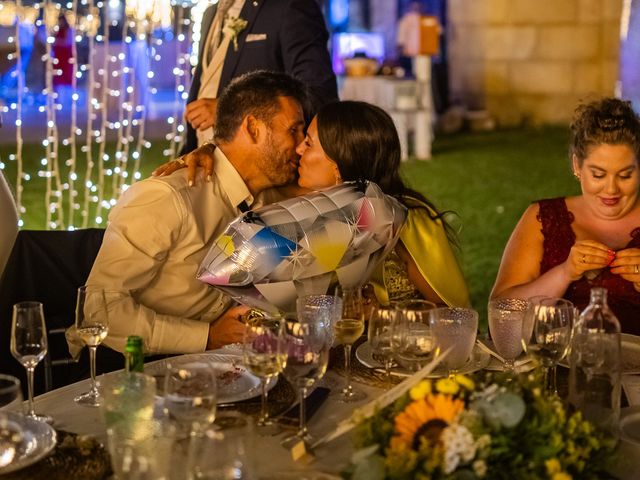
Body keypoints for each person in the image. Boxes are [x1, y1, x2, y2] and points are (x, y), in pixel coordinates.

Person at [77, 71, 307, 356]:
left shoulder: (264, 195)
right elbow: (100, 311)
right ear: (253, 128)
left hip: (212, 360)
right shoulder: (168, 197)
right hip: (129, 361)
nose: (300, 146)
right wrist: (207, 337)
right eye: (294, 130)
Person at [158, 100, 470, 307]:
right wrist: (207, 152)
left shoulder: (408, 220)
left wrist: (378, 317)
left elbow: (453, 314)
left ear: (338, 164)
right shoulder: (296, 198)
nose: (297, 150)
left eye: (309, 142)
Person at [491, 98, 640, 334]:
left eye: (625, 175)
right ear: (577, 167)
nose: (611, 189)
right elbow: (500, 315)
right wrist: (564, 273)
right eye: (598, 175)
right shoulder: (543, 218)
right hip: (556, 364)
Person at [182, 0, 338, 155]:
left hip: (260, 166)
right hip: (204, 159)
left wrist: (229, 110)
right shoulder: (210, 14)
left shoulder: (290, 6)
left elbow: (319, 95)